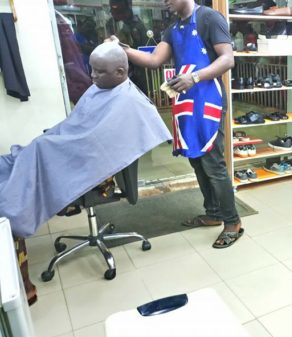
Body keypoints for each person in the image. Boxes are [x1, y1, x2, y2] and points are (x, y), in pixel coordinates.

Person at [0, 42, 171, 305]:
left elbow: (95, 145)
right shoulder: (100, 89)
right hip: (77, 155)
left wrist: (51, 147)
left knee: (35, 157)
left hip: (100, 177)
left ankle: (13, 208)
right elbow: (77, 128)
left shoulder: (130, 102)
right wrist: (54, 140)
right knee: (27, 154)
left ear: (120, 71)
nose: (92, 77)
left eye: (99, 72)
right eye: (91, 70)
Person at [112, 0, 242, 249]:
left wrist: (195, 77)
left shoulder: (209, 18)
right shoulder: (172, 29)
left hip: (208, 101)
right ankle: (213, 213)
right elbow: (154, 60)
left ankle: (233, 222)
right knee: (196, 161)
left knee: (214, 165)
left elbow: (227, 59)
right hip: (185, 103)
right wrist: (123, 49)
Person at [106, 0, 148, 93]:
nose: (114, 14)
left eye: (117, 10)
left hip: (139, 75)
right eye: (113, 10)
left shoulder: (136, 27)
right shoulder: (122, 25)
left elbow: (141, 55)